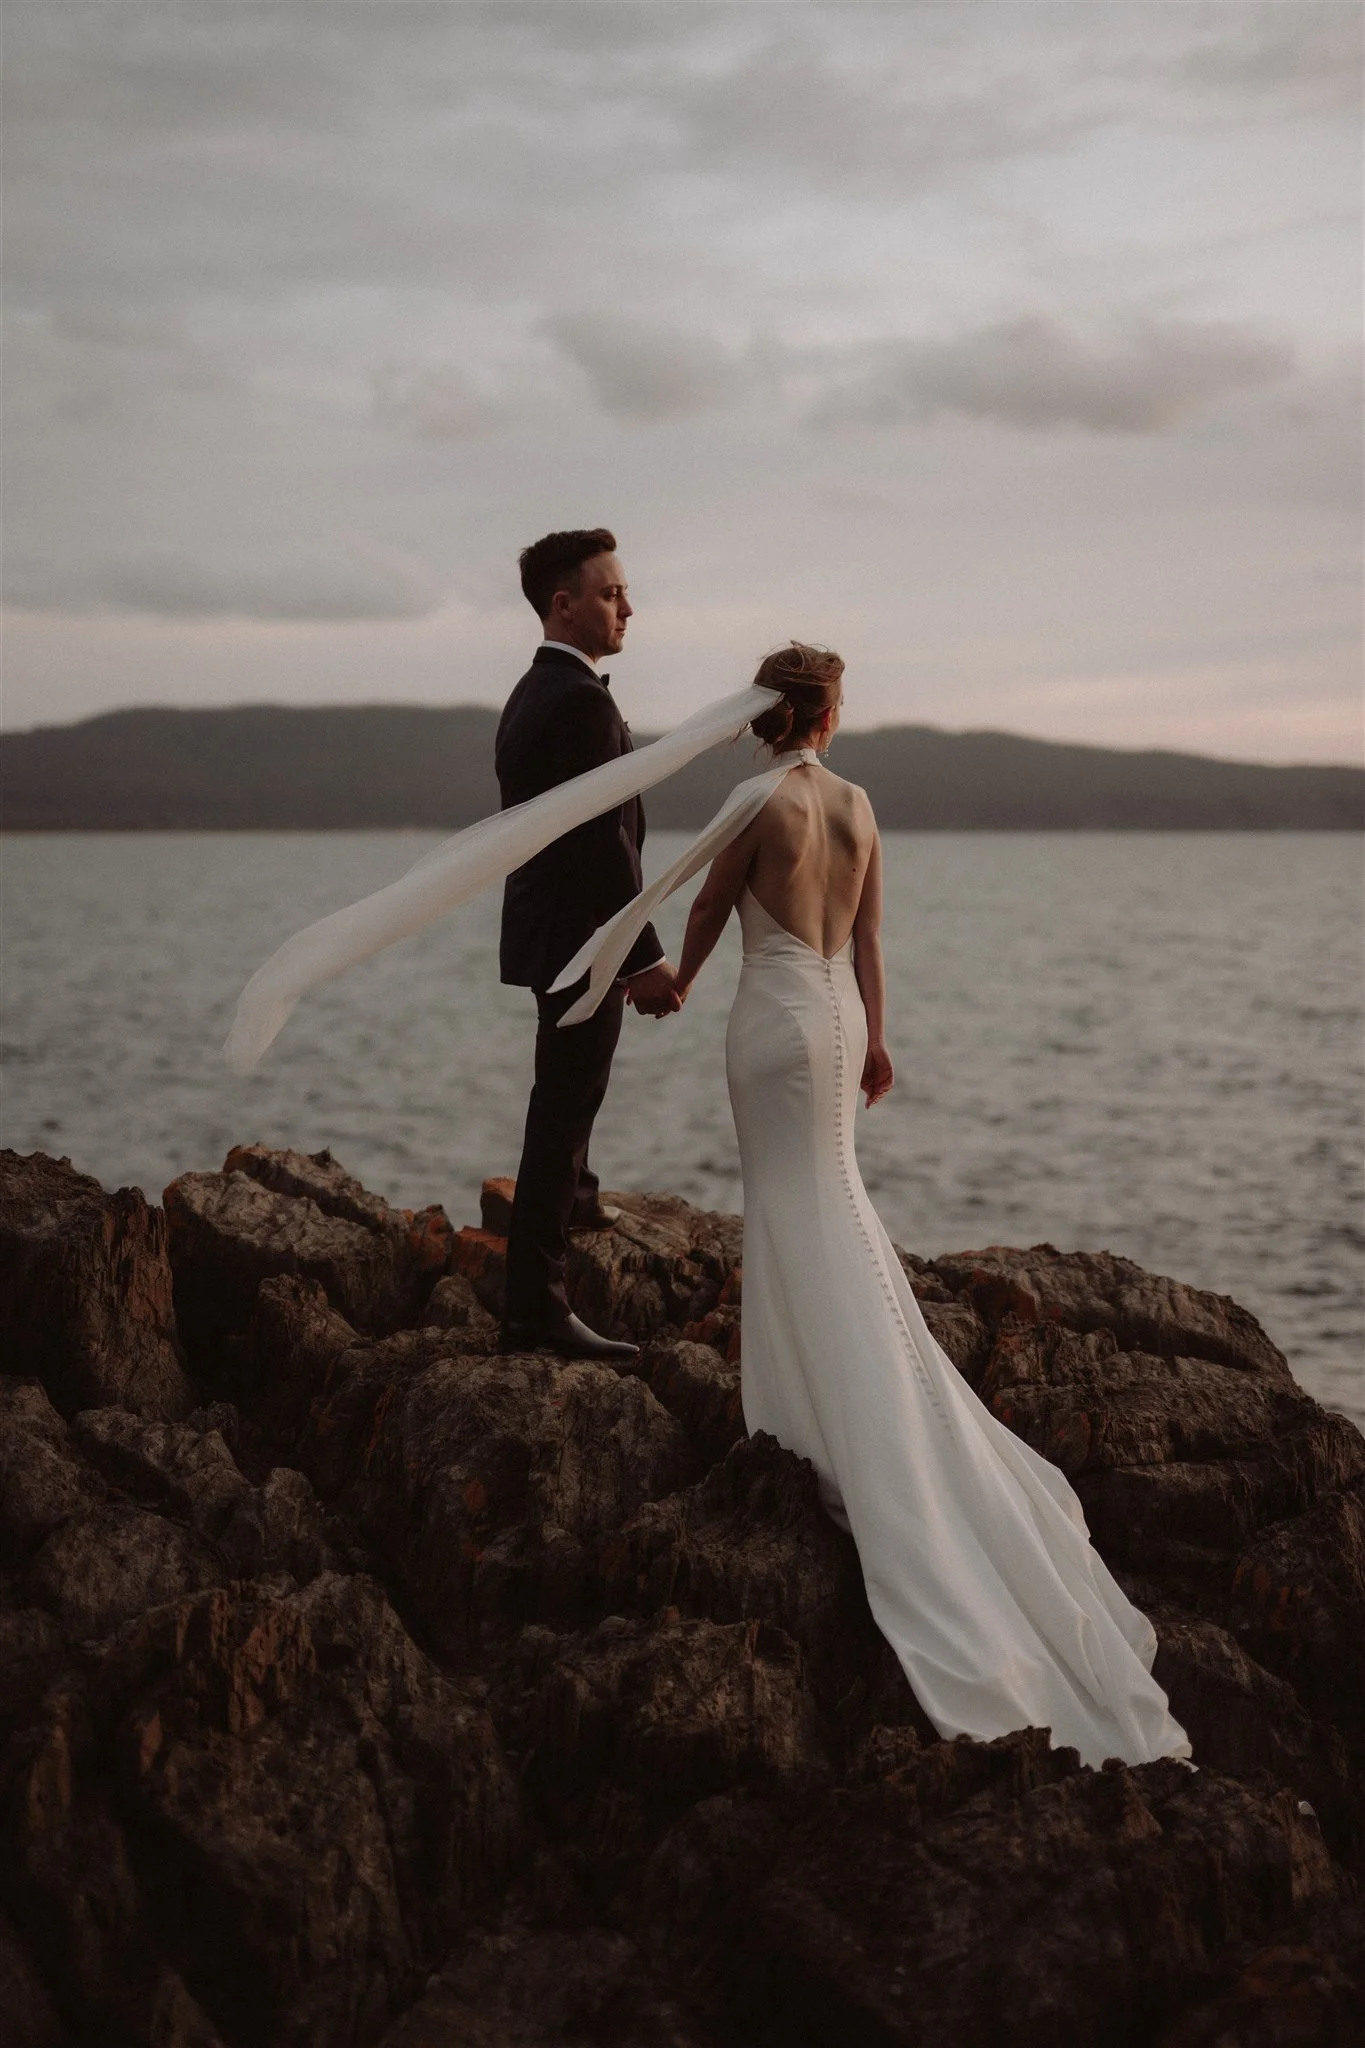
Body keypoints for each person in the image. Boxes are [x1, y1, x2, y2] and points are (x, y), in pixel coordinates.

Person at [636, 640, 1193, 1769]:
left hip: (775, 1024)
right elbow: (873, 934)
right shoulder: (860, 803)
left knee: (794, 1210)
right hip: (840, 1022)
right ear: (829, 710)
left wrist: (684, 984)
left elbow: (708, 906)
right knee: (832, 1203)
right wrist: (880, 1037)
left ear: (762, 714)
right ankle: (848, 1401)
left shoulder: (758, 799)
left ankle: (817, 1416)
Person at [494, 528, 680, 1362]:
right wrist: (641, 959)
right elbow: (600, 845)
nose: (627, 607)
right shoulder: (577, 702)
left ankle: (578, 1198)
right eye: (611, 594)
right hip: (582, 940)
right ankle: (535, 1307)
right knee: (560, 1115)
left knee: (567, 1101)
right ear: (562, 604)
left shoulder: (531, 692)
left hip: (555, 932)